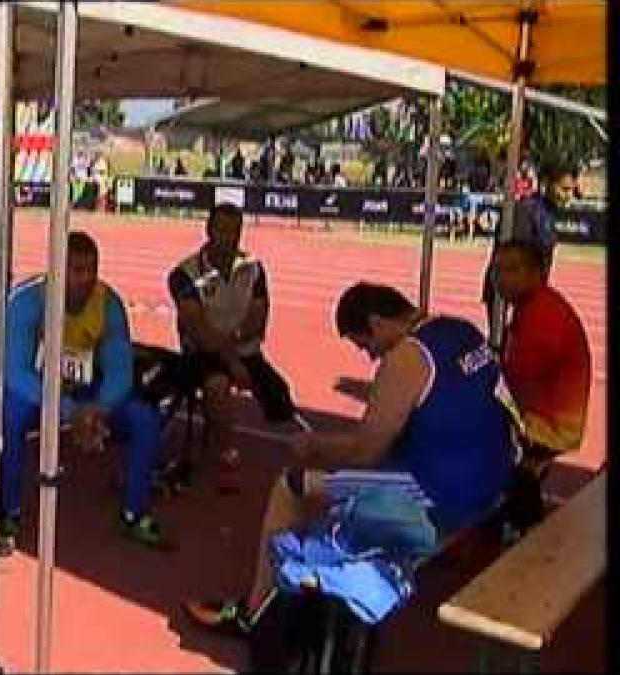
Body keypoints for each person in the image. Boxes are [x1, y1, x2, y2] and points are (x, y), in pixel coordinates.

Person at [184, 282, 517, 636]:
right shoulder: (461, 330)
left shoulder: (407, 357)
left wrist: (313, 446)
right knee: (352, 485)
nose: (371, 357)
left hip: (447, 494)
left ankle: (253, 612)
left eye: (364, 345)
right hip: (496, 476)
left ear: (376, 323)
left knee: (292, 485)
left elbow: (365, 451)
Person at [1, 232, 169, 552]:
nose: (86, 279)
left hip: (85, 392)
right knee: (9, 417)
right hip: (36, 390)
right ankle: (9, 511)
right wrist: (67, 411)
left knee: (145, 419)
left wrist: (100, 410)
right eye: (76, 270)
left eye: (91, 270)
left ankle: (134, 512)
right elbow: (16, 372)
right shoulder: (27, 302)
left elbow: (120, 368)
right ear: (57, 269)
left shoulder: (109, 304)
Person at [166, 203, 297, 491]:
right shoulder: (183, 274)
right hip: (201, 355)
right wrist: (232, 360)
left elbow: (258, 319)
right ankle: (226, 452)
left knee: (282, 402)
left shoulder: (254, 268)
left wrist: (236, 346)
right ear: (209, 231)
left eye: (235, 231)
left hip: (245, 351)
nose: (229, 238)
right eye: (222, 230)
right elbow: (199, 331)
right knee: (216, 386)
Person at [493, 240, 591, 536]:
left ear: (537, 272)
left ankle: (521, 528)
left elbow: (514, 377)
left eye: (512, 270)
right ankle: (516, 521)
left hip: (549, 423)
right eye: (497, 271)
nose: (502, 279)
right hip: (543, 413)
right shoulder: (534, 305)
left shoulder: (542, 316)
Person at [481, 162, 579, 340]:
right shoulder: (525, 210)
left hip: (528, 295)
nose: (568, 196)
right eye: (564, 189)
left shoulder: (547, 212)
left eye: (571, 190)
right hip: (507, 292)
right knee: (505, 345)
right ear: (546, 184)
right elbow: (513, 259)